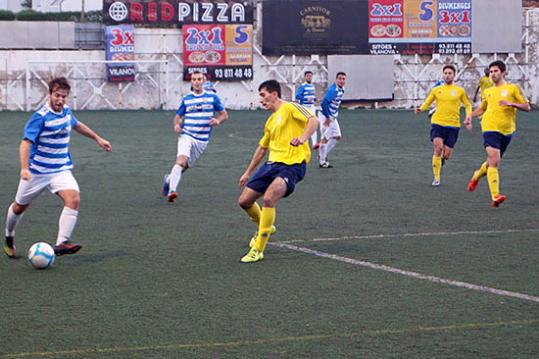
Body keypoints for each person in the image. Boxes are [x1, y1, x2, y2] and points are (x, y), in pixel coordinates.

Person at [3, 77, 112, 259]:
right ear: (49, 94)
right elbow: (25, 144)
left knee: (73, 198)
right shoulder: (40, 117)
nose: (60, 100)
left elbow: (77, 125)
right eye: (57, 95)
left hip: (60, 170)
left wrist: (98, 139)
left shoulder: (67, 112)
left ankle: (61, 243)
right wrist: (24, 168)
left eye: (64, 96)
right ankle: (9, 236)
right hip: (36, 172)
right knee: (19, 208)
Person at [237, 80, 318, 263]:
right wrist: (248, 172)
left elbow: (314, 120)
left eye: (263, 95)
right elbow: (262, 148)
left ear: (274, 94)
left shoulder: (291, 107)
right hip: (271, 165)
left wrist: (303, 138)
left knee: (269, 197)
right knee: (244, 201)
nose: (261, 100)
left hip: (293, 165)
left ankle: (258, 249)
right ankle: (264, 226)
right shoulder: (271, 121)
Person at [466, 60, 530, 207]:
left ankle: (477, 175)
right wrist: (470, 116)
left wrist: (511, 104)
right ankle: (495, 196)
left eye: (496, 71)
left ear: (503, 72)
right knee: (495, 161)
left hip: (507, 131)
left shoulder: (513, 89)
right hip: (489, 127)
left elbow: (526, 106)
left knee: (491, 162)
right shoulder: (487, 91)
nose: (493, 74)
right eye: (491, 71)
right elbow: (483, 108)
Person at [162, 71, 228, 203]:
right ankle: (172, 191)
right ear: (191, 82)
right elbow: (177, 116)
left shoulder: (212, 97)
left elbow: (224, 114)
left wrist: (218, 121)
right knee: (180, 161)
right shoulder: (187, 99)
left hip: (202, 140)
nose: (196, 82)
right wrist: (176, 125)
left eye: (199, 79)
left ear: (203, 81)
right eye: (194, 79)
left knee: (184, 167)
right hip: (186, 135)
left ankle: (169, 180)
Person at [415, 64, 472, 187]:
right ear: (443, 75)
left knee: (446, 155)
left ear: (454, 75)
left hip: (453, 126)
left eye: (450, 73)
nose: (447, 75)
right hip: (438, 123)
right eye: (445, 73)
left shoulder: (459, 91)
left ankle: (440, 161)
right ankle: (436, 178)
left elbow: (467, 105)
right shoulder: (437, 90)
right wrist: (421, 108)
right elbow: (428, 101)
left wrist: (468, 116)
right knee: (438, 148)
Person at [318, 72, 346, 168]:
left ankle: (323, 154)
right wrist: (327, 117)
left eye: (343, 79)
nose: (342, 81)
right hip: (326, 116)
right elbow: (324, 103)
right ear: (336, 79)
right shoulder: (333, 90)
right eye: (340, 78)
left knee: (337, 137)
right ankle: (322, 161)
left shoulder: (342, 89)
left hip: (333, 117)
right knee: (325, 138)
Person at [295, 71, 318, 148]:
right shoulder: (303, 86)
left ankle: (314, 143)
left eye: (310, 76)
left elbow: (312, 97)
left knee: (314, 124)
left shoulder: (312, 86)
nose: (309, 77)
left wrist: (314, 99)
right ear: (305, 77)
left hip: (312, 107)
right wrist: (305, 98)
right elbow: (297, 96)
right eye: (308, 76)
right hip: (305, 107)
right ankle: (302, 141)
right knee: (305, 125)